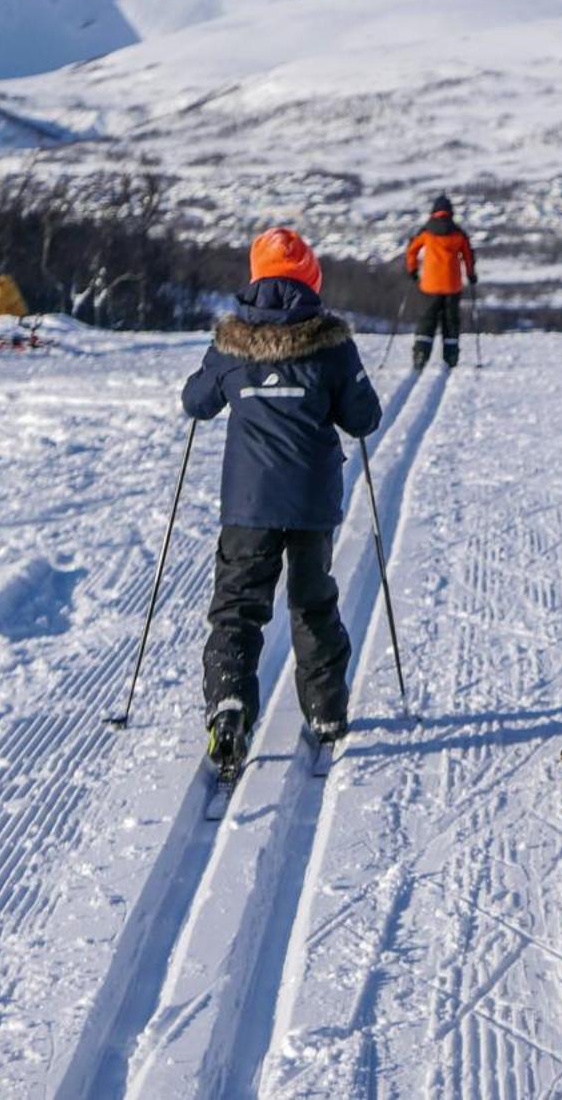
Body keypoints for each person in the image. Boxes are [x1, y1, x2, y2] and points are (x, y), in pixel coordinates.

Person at [181, 228, 382, 770]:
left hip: (248, 503)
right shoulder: (334, 343)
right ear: (312, 278)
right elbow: (364, 418)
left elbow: (196, 403)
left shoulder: (230, 342)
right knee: (312, 603)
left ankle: (228, 707)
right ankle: (327, 712)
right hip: (313, 500)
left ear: (254, 277)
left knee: (238, 609)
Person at [403, 194, 476, 370]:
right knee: (451, 321)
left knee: (427, 320)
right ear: (451, 212)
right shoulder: (458, 233)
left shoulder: (426, 232)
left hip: (430, 285)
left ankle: (421, 354)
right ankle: (451, 356)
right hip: (452, 284)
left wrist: (412, 270)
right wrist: (471, 274)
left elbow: (411, 250)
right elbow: (468, 256)